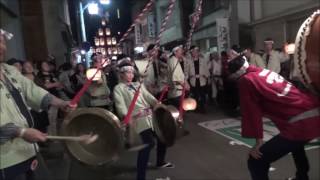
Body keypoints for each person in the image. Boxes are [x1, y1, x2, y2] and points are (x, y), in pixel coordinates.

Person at [227, 53, 320, 180]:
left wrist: (258, 142)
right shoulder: (263, 71)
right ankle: (302, 176)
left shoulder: (246, 80)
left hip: (301, 123)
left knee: (255, 161)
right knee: (297, 146)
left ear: (236, 74)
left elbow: (250, 111)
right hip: (314, 112)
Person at [0, 29, 76, 180]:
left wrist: (61, 103)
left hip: (28, 149)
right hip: (6, 158)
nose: (2, 47)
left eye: (2, 41)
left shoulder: (8, 70)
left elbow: (32, 90)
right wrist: (21, 132)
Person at [113, 60, 173, 180]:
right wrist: (126, 116)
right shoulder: (118, 88)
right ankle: (141, 177)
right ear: (121, 74)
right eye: (127, 72)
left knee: (163, 137)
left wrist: (157, 103)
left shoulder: (138, 85)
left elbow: (147, 96)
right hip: (137, 120)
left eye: (131, 72)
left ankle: (160, 161)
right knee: (148, 144)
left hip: (151, 117)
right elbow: (120, 106)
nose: (130, 75)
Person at [185, 46, 209, 113]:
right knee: (195, 95)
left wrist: (206, 77)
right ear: (191, 53)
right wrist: (187, 79)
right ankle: (196, 107)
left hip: (202, 80)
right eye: (193, 52)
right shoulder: (189, 61)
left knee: (202, 94)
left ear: (198, 52)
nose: (195, 53)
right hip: (193, 80)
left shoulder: (202, 60)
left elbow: (206, 69)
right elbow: (186, 71)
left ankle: (203, 107)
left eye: (196, 51)